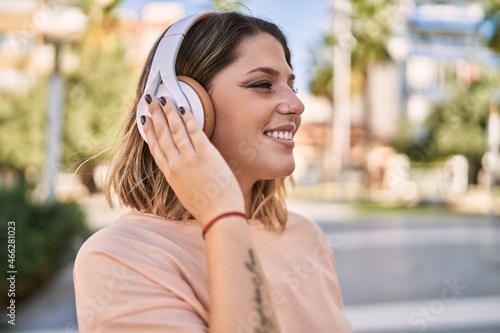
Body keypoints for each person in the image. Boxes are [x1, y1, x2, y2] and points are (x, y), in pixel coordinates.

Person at [73, 11, 352, 333]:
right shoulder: (120, 257)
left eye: (292, 86)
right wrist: (222, 214)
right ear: (181, 104)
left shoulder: (306, 236)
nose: (296, 104)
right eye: (263, 84)